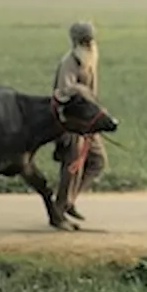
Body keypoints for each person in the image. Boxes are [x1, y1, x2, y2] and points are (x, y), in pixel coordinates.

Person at [52, 20, 105, 220]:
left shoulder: (90, 58)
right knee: (73, 165)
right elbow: (65, 91)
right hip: (74, 122)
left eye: (91, 38)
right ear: (76, 41)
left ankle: (69, 201)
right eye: (85, 39)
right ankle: (59, 208)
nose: (90, 42)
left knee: (97, 162)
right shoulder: (70, 61)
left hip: (89, 121)